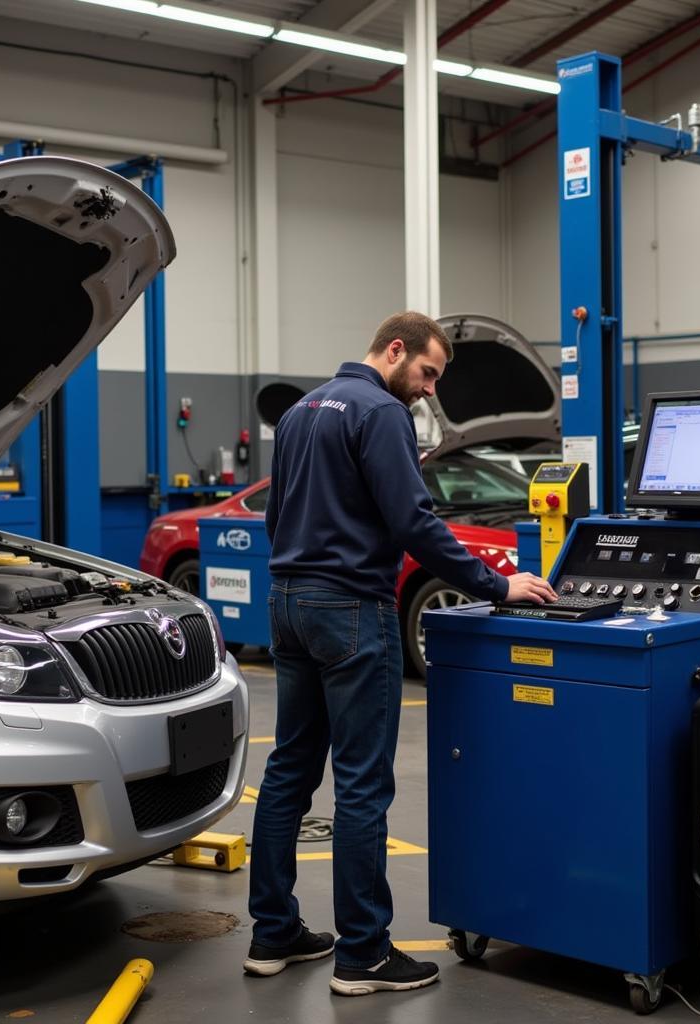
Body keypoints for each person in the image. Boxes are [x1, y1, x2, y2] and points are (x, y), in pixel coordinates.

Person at [243, 311, 557, 996]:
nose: (428, 390)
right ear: (394, 350)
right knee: (361, 783)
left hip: (287, 604)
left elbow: (274, 517)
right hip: (352, 610)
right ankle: (364, 953)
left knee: (290, 770)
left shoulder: (299, 412)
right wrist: (496, 583)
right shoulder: (381, 411)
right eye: (427, 373)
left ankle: (273, 934)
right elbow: (413, 521)